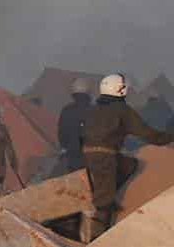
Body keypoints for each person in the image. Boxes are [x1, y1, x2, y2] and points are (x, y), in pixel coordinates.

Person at [84, 73, 174, 236]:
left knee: (129, 165)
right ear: (120, 90)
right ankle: (95, 240)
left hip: (89, 154)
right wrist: (169, 137)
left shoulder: (93, 109)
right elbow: (149, 135)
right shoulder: (122, 110)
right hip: (107, 156)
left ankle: (108, 193)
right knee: (104, 203)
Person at [56, 78, 94, 174]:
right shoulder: (96, 111)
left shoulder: (67, 111)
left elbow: (62, 136)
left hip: (73, 159)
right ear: (89, 92)